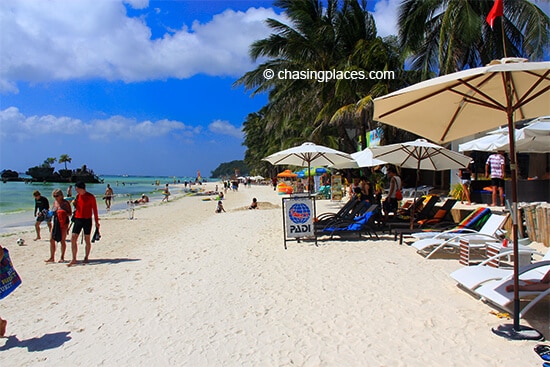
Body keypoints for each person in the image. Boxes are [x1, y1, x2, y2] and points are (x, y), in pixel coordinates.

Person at [68, 182, 99, 267]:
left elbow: (95, 210)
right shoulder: (78, 196)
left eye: (76, 188)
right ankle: (74, 258)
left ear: (81, 188)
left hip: (87, 220)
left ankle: (86, 257)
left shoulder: (91, 197)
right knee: (73, 238)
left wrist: (97, 222)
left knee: (87, 239)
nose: (75, 190)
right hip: (78, 219)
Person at [46, 189, 72, 263]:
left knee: (62, 240)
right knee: (51, 239)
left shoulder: (65, 203)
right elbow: (52, 211)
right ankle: (52, 257)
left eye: (57, 196)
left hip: (64, 222)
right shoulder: (55, 202)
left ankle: (62, 257)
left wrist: (62, 213)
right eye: (54, 196)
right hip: (56, 221)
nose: (55, 197)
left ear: (61, 195)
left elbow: (70, 213)